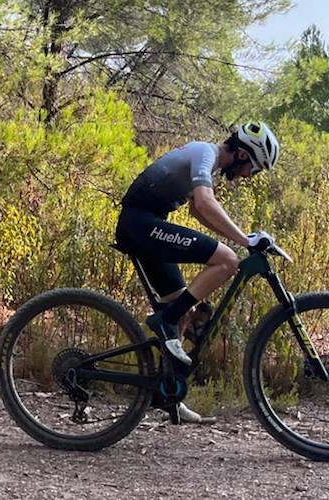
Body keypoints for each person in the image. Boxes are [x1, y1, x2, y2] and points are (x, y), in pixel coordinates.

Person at [116, 122, 280, 366]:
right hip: (139, 225)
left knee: (181, 310)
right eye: (254, 170)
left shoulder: (208, 162)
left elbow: (198, 212)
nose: (248, 176)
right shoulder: (205, 152)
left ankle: (167, 395)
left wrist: (243, 237)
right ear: (243, 154)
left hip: (144, 226)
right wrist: (246, 240)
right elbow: (205, 203)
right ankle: (165, 321)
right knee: (228, 260)